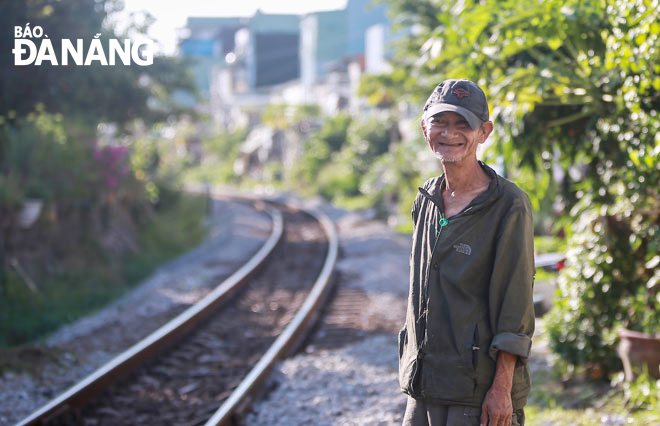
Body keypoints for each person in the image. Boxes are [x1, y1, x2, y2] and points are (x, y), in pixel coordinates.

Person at [398, 78, 535, 426]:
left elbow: (514, 306)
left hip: (477, 392)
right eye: (440, 122)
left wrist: (501, 389)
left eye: (463, 124)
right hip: (424, 384)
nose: (449, 133)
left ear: (484, 132)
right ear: (424, 128)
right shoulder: (426, 200)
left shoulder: (508, 205)